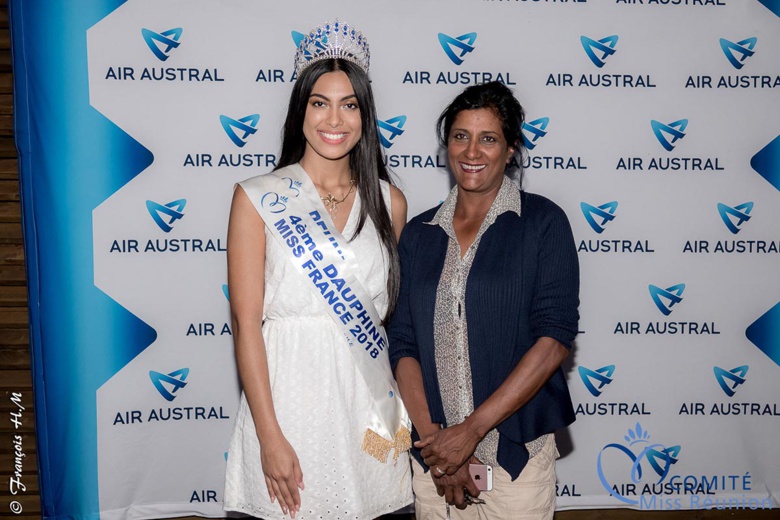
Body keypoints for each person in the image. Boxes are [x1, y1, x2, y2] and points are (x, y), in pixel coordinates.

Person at [223, 20, 412, 520]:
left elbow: (386, 322)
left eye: (350, 104)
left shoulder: (389, 202)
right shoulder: (257, 198)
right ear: (300, 109)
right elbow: (246, 325)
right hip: (287, 404)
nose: (335, 119)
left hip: (364, 404)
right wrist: (269, 435)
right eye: (320, 102)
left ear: (365, 114)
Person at [388, 81, 579, 520]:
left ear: (511, 148)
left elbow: (553, 338)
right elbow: (403, 343)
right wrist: (438, 446)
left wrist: (469, 434)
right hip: (435, 464)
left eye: (488, 138)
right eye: (460, 136)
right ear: (446, 145)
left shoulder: (543, 223)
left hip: (515, 458)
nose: (472, 151)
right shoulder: (418, 235)